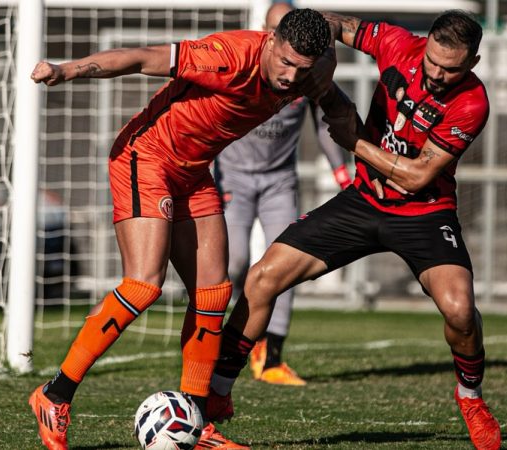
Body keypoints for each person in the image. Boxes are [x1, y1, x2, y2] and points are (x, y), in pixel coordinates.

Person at [26, 8, 334, 450]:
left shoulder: (314, 71)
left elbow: (334, 93)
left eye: (301, 68)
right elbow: (139, 57)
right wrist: (66, 70)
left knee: (213, 292)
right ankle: (54, 396)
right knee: (144, 284)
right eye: (284, 62)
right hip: (145, 158)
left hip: (193, 172)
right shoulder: (227, 56)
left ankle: (196, 420)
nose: (290, 76)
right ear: (270, 41)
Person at [206, 9, 501, 450]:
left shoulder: (472, 102)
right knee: (262, 279)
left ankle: (471, 398)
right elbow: (329, 23)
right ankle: (217, 397)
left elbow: (418, 177)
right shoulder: (398, 44)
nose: (438, 74)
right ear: (425, 43)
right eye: (433, 63)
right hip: (362, 202)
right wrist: (321, 61)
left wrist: (356, 141)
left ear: (473, 64)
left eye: (452, 69)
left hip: (425, 212)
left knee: (459, 311)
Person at [215, 1, 351, 387]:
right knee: (234, 262)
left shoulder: (306, 72)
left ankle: (270, 355)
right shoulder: (241, 60)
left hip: (278, 181)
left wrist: (341, 170)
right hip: (234, 180)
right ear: (268, 34)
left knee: (285, 265)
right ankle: (214, 341)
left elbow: (326, 121)